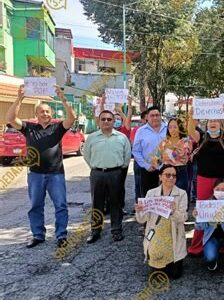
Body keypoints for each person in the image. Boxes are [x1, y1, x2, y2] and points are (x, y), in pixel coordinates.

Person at [6, 85, 76, 248]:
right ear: (36, 115)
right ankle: (38, 235)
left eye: (47, 111)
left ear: (51, 114)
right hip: (35, 174)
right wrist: (19, 98)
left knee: (61, 205)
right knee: (35, 206)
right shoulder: (28, 128)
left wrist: (63, 99)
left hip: (55, 174)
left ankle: (61, 235)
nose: (45, 113)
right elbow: (10, 118)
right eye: (41, 111)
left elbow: (72, 118)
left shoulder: (57, 128)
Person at [187, 105, 224, 255]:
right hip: (204, 180)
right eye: (210, 121)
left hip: (222, 180)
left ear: (220, 123)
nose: (213, 123)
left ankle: (222, 242)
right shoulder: (201, 137)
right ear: (206, 124)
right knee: (203, 212)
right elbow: (190, 130)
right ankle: (197, 245)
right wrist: (192, 115)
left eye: (216, 120)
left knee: (222, 212)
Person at [83, 110, 131, 243]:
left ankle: (116, 230)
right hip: (97, 173)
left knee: (116, 202)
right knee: (97, 203)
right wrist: (96, 167)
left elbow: (126, 156)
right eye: (103, 119)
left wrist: (119, 170)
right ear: (99, 121)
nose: (106, 121)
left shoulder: (122, 137)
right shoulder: (92, 137)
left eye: (109, 119)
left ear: (113, 121)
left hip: (116, 173)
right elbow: (86, 155)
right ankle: (95, 231)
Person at [135, 165, 188, 279]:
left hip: (173, 232)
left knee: (174, 275)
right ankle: (154, 258)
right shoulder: (151, 193)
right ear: (160, 177)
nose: (171, 178)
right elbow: (142, 220)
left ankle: (176, 261)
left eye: (174, 176)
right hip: (155, 232)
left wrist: (174, 211)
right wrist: (140, 211)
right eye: (167, 175)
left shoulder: (182, 194)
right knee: (157, 276)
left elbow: (183, 218)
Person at [193, 178, 224, 276]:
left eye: (223, 190)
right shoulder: (206, 204)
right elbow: (200, 227)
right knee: (210, 259)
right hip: (212, 237)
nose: (220, 192)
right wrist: (197, 217)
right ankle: (213, 259)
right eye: (218, 189)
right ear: (213, 190)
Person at [133, 106, 168, 197]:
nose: (155, 117)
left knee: (166, 196)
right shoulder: (141, 131)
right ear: (147, 117)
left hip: (167, 168)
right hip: (148, 169)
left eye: (157, 115)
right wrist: (146, 165)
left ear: (161, 116)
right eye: (152, 115)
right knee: (149, 196)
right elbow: (136, 151)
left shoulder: (169, 129)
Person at [159, 118, 193, 191]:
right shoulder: (164, 141)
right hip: (166, 171)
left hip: (181, 172)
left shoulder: (186, 141)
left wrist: (170, 151)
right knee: (167, 198)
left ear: (180, 128)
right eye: (170, 127)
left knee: (181, 197)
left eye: (175, 127)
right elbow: (161, 158)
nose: (172, 129)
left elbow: (181, 156)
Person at [131, 111, 148, 206]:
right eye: (146, 119)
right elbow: (135, 146)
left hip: (152, 162)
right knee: (139, 184)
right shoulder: (137, 130)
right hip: (139, 162)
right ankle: (139, 205)